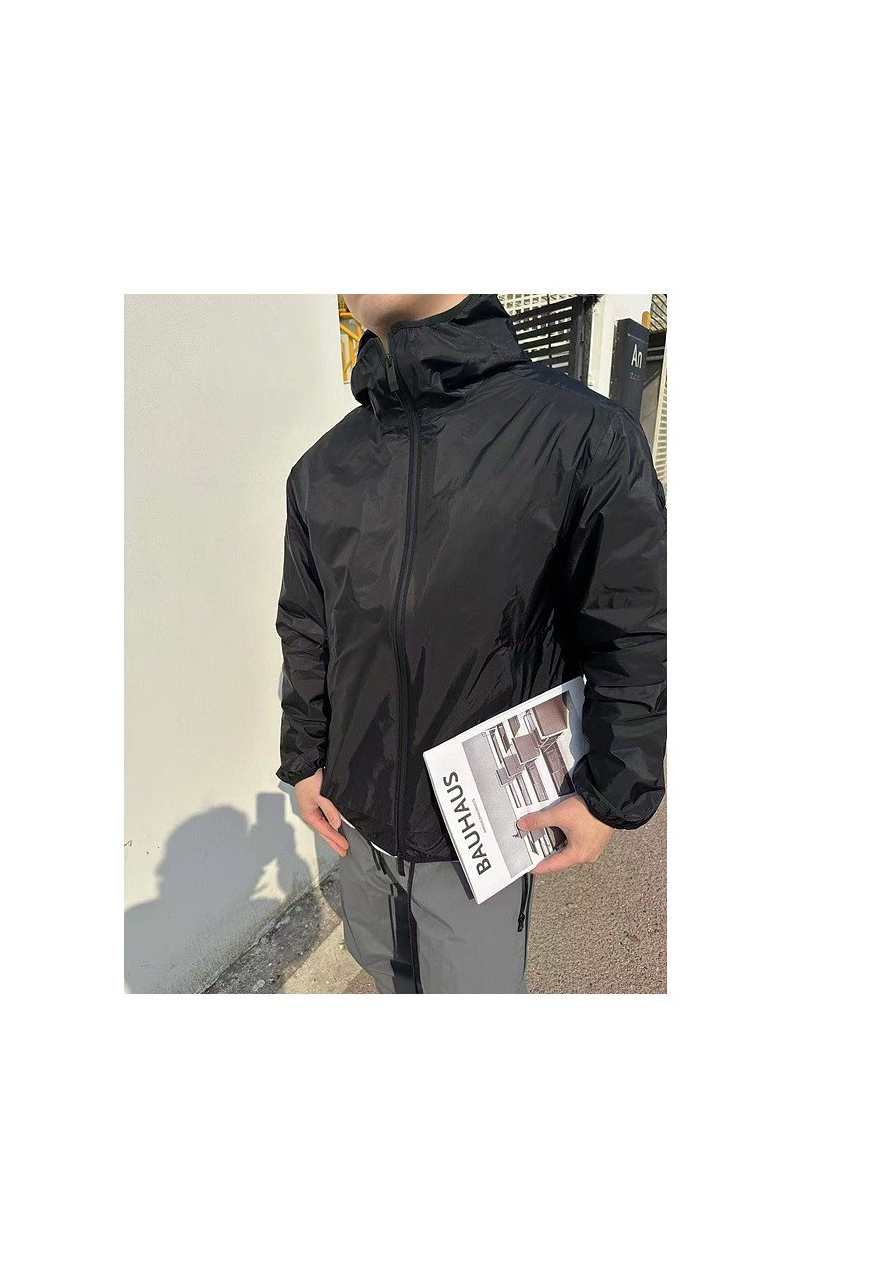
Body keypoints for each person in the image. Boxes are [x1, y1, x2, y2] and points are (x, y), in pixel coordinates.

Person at [275, 294, 666, 993]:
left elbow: (634, 627)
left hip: (479, 837)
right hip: (357, 820)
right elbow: (307, 629)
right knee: (386, 975)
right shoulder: (321, 470)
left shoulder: (582, 436)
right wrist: (304, 759)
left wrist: (612, 792)